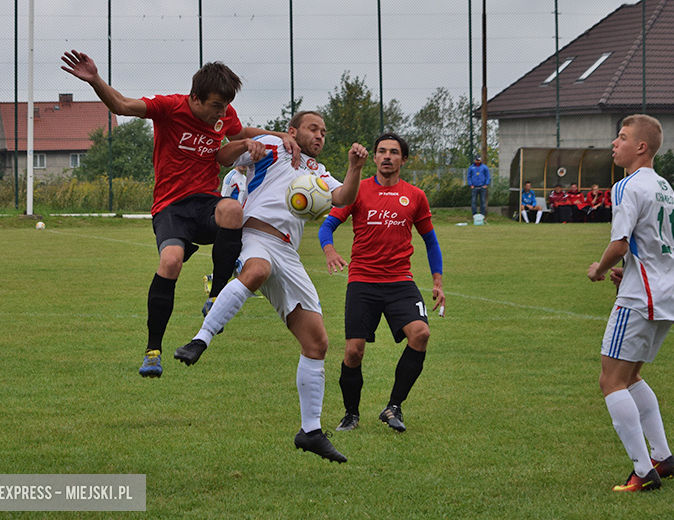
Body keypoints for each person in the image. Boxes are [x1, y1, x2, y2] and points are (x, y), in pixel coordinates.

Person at [61, 49, 299, 379]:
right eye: (216, 105)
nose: (222, 112)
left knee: (231, 208)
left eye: (225, 106)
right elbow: (122, 105)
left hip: (205, 205)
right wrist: (95, 80)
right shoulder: (169, 107)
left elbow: (241, 132)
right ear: (195, 98)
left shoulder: (222, 114)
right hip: (171, 207)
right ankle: (152, 352)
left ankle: (216, 295)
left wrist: (280, 136)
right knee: (170, 261)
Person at [174, 111, 368, 463]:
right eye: (313, 128)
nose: (320, 135)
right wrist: (246, 144)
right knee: (257, 271)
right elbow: (222, 157)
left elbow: (341, 197)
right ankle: (200, 339)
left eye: (324, 131)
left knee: (317, 342)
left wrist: (354, 167)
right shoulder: (275, 145)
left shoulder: (318, 173)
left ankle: (309, 431)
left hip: (288, 254)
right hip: (254, 235)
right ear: (293, 130)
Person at [587, 114, 674, 492]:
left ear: (641, 147)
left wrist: (601, 269)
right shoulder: (665, 187)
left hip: (640, 298)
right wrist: (633, 269)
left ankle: (642, 470)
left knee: (611, 380)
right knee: (631, 376)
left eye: (621, 137)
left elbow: (619, 243)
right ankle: (663, 458)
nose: (614, 144)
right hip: (668, 295)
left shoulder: (628, 186)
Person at [318, 133, 446, 434]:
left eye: (394, 152)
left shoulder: (415, 195)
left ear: (403, 159)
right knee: (353, 351)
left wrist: (438, 280)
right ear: (374, 158)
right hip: (363, 281)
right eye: (381, 152)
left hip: (401, 282)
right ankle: (351, 414)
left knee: (421, 333)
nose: (387, 156)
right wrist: (330, 250)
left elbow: (430, 240)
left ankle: (394, 406)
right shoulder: (357, 191)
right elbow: (328, 225)